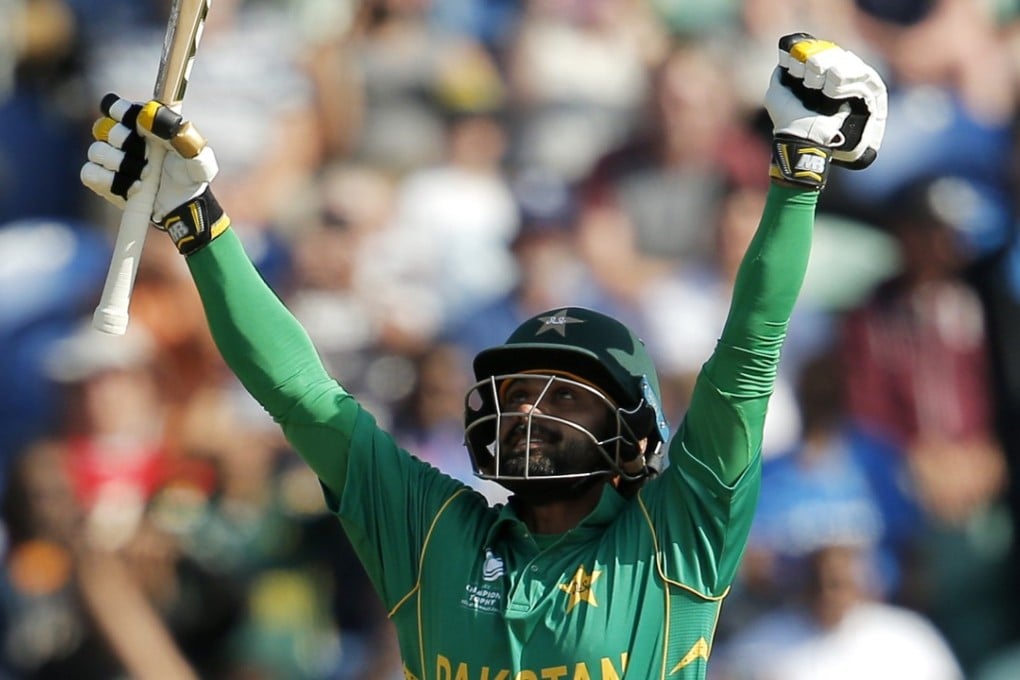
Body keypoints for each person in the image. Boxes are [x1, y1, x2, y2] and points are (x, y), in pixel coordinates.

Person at [79, 34, 887, 679]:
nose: (529, 409)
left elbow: (749, 349)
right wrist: (198, 223)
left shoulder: (679, 533)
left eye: (566, 397)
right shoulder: (434, 535)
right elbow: (297, 391)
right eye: (518, 390)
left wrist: (798, 174)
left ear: (640, 439)